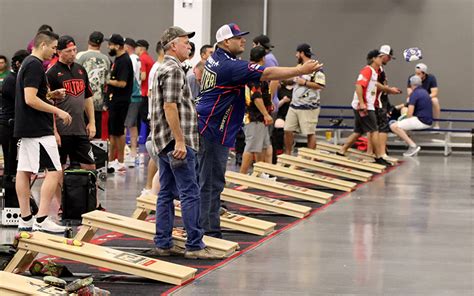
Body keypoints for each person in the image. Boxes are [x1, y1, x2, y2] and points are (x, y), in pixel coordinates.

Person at [196, 23, 322, 238]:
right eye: (238, 38)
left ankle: (206, 224)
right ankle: (207, 232)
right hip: (213, 129)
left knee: (210, 181)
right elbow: (268, 73)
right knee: (210, 183)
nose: (243, 40)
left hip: (211, 126)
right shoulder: (227, 66)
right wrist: (300, 70)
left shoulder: (217, 60)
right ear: (226, 42)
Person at [150, 26, 224, 259]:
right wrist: (180, 141)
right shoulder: (173, 70)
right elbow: (169, 106)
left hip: (165, 140)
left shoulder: (166, 68)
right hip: (176, 143)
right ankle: (194, 245)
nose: (189, 45)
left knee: (166, 192)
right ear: (173, 45)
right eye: (185, 42)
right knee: (190, 192)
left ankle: (163, 242)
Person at [14, 30, 72, 233]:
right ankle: (42, 219)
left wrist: (50, 94)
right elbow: (30, 99)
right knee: (55, 171)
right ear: (43, 45)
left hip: (27, 127)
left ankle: (26, 219)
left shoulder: (28, 64)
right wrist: (58, 110)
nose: (55, 52)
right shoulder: (35, 65)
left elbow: (33, 94)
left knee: (25, 171)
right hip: (38, 128)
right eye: (54, 47)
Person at [46, 35, 102, 212]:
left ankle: (94, 203)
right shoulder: (52, 73)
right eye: (69, 51)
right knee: (57, 169)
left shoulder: (80, 70)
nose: (73, 53)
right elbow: (48, 103)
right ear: (59, 52)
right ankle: (63, 203)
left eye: (75, 50)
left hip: (79, 129)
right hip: (61, 130)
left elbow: (88, 98)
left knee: (90, 166)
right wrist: (54, 131)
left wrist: (92, 122)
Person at [337, 49, 399, 166]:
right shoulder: (367, 70)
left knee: (359, 131)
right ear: (373, 59)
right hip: (364, 106)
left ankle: (342, 150)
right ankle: (379, 156)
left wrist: (389, 90)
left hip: (366, 105)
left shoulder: (374, 73)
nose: (382, 59)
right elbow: (359, 85)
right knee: (374, 130)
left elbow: (375, 86)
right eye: (380, 57)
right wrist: (362, 103)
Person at [284, 43, 326, 154]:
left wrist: (305, 82)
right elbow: (293, 80)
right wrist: (285, 79)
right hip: (294, 105)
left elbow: (321, 85)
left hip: (309, 107)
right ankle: (288, 155)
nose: (296, 55)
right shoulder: (299, 68)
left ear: (302, 53)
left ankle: (310, 158)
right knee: (287, 129)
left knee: (310, 133)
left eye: (297, 53)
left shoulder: (316, 67)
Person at [0, 50, 29, 207]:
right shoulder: (11, 80)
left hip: (13, 126)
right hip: (8, 127)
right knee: (11, 166)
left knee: (16, 165)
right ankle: (11, 201)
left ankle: (16, 199)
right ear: (18, 64)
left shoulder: (16, 78)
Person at [240, 46, 274, 175]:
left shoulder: (255, 71)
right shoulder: (255, 74)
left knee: (264, 147)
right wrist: (266, 114)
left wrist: (269, 105)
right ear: (262, 58)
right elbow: (256, 96)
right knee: (251, 147)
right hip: (254, 117)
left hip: (259, 117)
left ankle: (260, 174)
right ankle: (241, 176)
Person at [105, 34, 134, 172]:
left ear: (117, 46)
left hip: (120, 101)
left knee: (118, 131)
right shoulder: (118, 59)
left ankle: (120, 161)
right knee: (113, 131)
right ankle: (111, 160)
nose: (108, 47)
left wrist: (107, 81)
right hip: (114, 101)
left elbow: (122, 83)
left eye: (110, 44)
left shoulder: (124, 61)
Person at [76, 31, 110, 140]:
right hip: (98, 101)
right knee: (95, 136)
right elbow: (106, 82)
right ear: (101, 44)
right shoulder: (106, 59)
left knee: (81, 134)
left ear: (89, 41)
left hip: (82, 100)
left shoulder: (81, 56)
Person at [370, 44, 401, 159]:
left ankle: (373, 152)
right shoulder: (376, 69)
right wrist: (388, 89)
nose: (389, 60)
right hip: (377, 100)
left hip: (378, 99)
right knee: (383, 127)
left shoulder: (377, 69)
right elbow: (374, 84)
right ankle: (381, 153)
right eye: (389, 57)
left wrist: (387, 89)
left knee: (373, 127)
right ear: (384, 56)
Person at [390, 75, 432, 157]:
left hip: (421, 121)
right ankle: (406, 139)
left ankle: (413, 146)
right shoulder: (425, 92)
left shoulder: (414, 94)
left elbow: (409, 113)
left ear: (411, 84)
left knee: (394, 126)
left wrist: (401, 119)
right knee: (401, 124)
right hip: (427, 120)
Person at [123, 38, 142, 167]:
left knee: (125, 124)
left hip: (131, 95)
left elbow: (130, 77)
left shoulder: (131, 59)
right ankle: (133, 152)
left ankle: (126, 150)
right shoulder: (136, 58)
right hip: (136, 94)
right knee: (133, 125)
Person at [407, 63, 440, 129]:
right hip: (416, 97)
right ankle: (409, 124)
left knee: (435, 100)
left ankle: (437, 124)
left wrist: (425, 97)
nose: (417, 75)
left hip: (427, 98)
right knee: (408, 100)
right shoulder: (412, 78)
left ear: (424, 73)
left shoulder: (431, 78)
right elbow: (409, 92)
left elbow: (435, 92)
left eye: (419, 74)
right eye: (416, 73)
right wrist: (417, 98)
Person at [136, 39, 155, 129]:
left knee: (144, 117)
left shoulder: (142, 59)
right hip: (148, 91)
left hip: (144, 92)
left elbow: (143, 76)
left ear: (141, 48)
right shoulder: (149, 58)